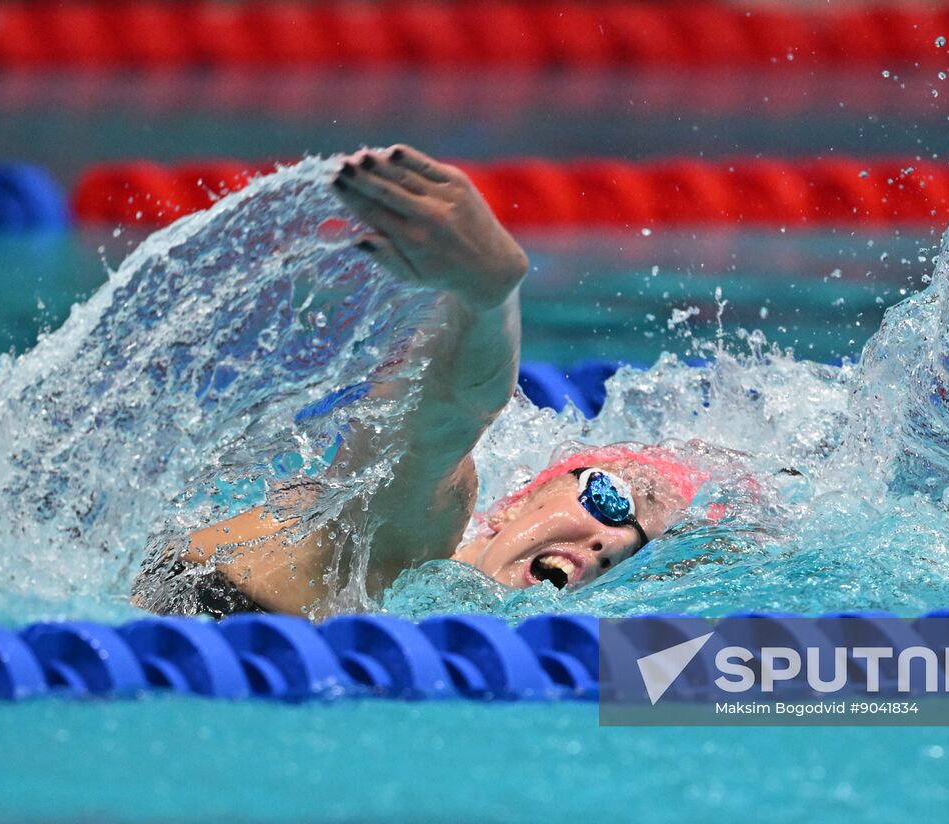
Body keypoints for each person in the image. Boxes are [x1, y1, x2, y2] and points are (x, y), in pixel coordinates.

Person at [132, 145, 716, 618]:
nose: (613, 543)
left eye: (637, 553)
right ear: (517, 501)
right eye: (610, 500)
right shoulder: (416, 534)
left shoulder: (444, 618)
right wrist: (488, 296)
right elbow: (446, 414)